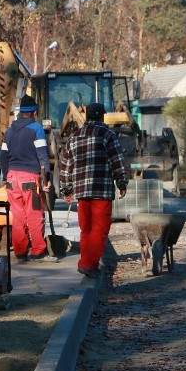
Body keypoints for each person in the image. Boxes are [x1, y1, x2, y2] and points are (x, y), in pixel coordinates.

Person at [59, 102, 128, 278]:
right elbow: (117, 161)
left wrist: (66, 189)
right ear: (103, 117)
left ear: (87, 117)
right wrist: (121, 183)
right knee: (100, 229)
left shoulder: (74, 138)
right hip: (101, 191)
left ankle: (87, 261)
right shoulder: (108, 135)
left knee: (86, 229)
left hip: (82, 192)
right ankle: (88, 264)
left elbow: (65, 166)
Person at [0, 94, 57, 262]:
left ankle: (20, 251)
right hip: (30, 180)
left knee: (17, 216)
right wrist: (46, 182)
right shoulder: (36, 129)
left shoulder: (8, 132)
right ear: (34, 112)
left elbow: (3, 157)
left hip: (11, 179)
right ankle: (38, 249)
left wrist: (6, 177)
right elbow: (43, 157)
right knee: (34, 214)